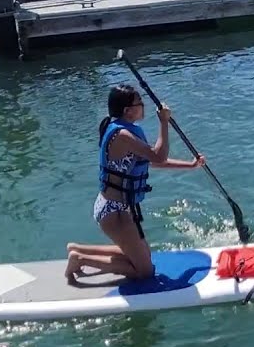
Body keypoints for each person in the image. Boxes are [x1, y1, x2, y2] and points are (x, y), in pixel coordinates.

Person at [65, 84, 205, 283]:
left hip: (121, 208)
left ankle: (78, 249)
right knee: (145, 272)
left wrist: (190, 166)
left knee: (143, 256)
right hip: (113, 211)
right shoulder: (122, 135)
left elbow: (151, 162)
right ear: (127, 111)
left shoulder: (129, 132)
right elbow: (158, 156)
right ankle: (79, 259)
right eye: (139, 102)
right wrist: (163, 122)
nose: (143, 105)